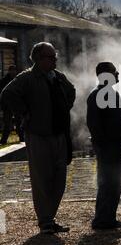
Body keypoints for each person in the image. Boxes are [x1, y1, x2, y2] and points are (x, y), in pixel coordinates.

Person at [0, 42, 76, 234]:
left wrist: (63, 108)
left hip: (59, 134)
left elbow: (71, 91)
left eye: (55, 56)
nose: (55, 60)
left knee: (59, 178)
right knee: (42, 178)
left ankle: (50, 216)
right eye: (51, 57)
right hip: (38, 134)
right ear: (39, 59)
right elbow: (7, 94)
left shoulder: (58, 77)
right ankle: (45, 221)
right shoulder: (27, 78)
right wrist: (25, 112)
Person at [87, 62, 121, 230]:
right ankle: (103, 219)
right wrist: (102, 144)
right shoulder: (98, 95)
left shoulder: (111, 93)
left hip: (115, 145)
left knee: (115, 182)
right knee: (108, 182)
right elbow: (93, 123)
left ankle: (109, 217)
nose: (117, 74)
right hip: (108, 146)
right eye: (114, 72)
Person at [0, 65, 24, 144]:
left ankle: (22, 138)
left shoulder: (18, 80)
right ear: (9, 71)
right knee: (7, 124)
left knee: (19, 122)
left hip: (16, 105)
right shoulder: (4, 81)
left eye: (14, 70)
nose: (13, 72)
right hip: (7, 106)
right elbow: (2, 93)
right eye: (11, 70)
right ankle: (3, 140)